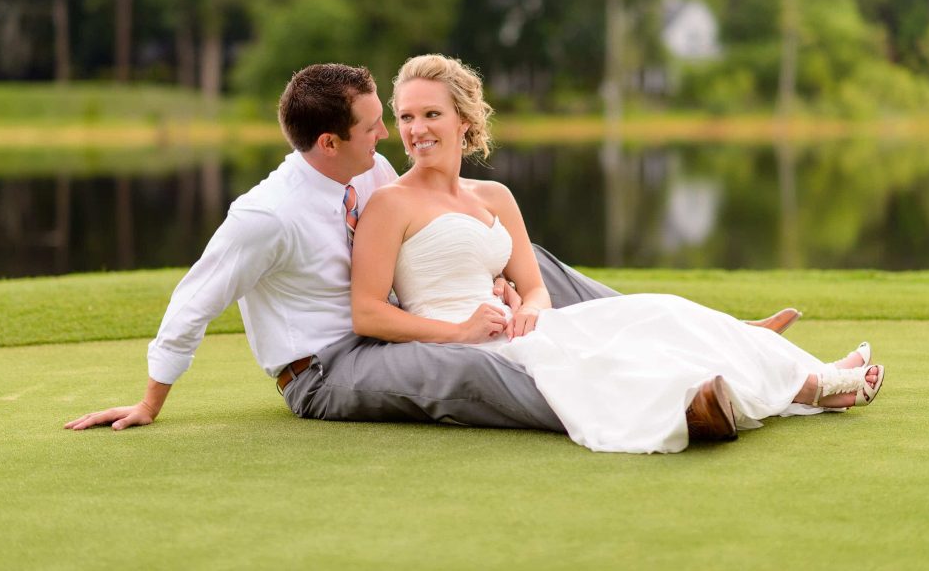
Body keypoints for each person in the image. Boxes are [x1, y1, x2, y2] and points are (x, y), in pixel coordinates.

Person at [64, 62, 799, 440]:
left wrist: (506, 287)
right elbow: (194, 299)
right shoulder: (264, 217)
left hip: (401, 319)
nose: (387, 134)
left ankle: (715, 336)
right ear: (329, 143)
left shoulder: (370, 173)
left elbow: (431, 246)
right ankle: (663, 407)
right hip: (327, 367)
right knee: (464, 368)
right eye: (371, 124)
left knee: (528, 259)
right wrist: (149, 403)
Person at [350, 54, 885, 453]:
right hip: (469, 347)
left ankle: (814, 374)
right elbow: (368, 312)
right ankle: (818, 387)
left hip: (526, 328)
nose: (416, 130)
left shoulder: (495, 197)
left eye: (431, 115)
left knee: (664, 311)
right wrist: (461, 332)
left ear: (464, 120)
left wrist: (531, 309)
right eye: (406, 117)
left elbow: (534, 285)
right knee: (622, 355)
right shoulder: (390, 204)